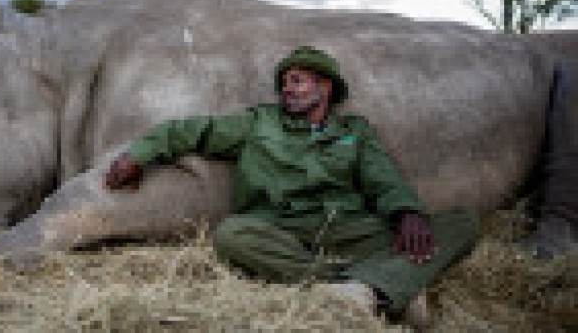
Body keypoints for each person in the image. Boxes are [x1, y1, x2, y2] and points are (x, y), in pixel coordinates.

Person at [104, 46, 477, 326]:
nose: (287, 90)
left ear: (325, 87)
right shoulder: (258, 123)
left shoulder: (354, 132)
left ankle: (368, 290)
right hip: (279, 228)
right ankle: (374, 286)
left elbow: (384, 179)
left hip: (347, 227)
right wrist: (139, 153)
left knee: (461, 223)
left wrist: (407, 212)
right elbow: (189, 131)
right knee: (231, 235)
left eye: (297, 81)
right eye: (284, 83)